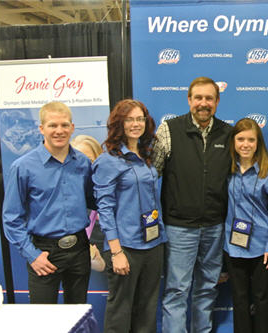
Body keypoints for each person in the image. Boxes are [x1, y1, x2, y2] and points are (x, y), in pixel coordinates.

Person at [152, 77, 232, 333]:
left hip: (215, 226)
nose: (203, 103)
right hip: (179, 227)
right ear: (189, 100)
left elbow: (244, 171)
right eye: (198, 98)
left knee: (207, 289)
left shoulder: (228, 134)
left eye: (209, 98)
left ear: (217, 102)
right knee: (176, 290)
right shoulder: (169, 129)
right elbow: (150, 173)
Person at [3, 101, 94, 304]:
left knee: (78, 316)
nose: (59, 131)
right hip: (44, 252)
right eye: (53, 125)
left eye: (64, 125)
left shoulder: (83, 162)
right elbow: (11, 218)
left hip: (79, 250)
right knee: (43, 321)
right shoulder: (23, 167)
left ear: (72, 127)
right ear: (41, 128)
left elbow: (94, 200)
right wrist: (32, 255)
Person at [92, 99, 167, 333]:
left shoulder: (146, 156)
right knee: (120, 310)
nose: (136, 124)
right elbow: (104, 209)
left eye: (140, 119)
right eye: (130, 119)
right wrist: (116, 252)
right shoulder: (108, 160)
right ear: (119, 123)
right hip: (125, 247)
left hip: (153, 244)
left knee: (147, 308)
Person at [224, 118, 268, 333]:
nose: (245, 144)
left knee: (262, 299)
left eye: (251, 139)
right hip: (233, 247)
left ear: (258, 143)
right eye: (240, 139)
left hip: (261, 247)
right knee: (239, 300)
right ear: (233, 142)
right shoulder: (226, 171)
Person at [71, 134, 105, 272]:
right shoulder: (63, 197)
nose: (84, 166)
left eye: (89, 160)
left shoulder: (109, 194)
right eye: (78, 160)